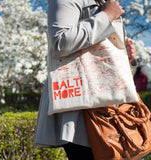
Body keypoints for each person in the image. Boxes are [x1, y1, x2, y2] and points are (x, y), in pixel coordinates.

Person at [33, 0, 136, 159]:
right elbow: (60, 42)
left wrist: (126, 58)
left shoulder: (103, 2)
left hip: (108, 109)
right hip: (81, 114)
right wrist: (106, 16)